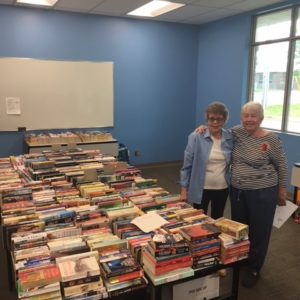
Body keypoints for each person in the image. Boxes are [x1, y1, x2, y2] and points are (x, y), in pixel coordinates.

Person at [196, 102, 288, 287]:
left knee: (259, 231)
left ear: (261, 118)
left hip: (263, 192)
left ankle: (254, 268)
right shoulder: (236, 133)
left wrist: (282, 190)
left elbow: (282, 166)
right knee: (240, 228)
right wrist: (203, 128)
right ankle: (242, 258)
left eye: (253, 116)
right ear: (241, 118)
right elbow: (216, 128)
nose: (249, 119)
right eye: (246, 115)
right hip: (237, 192)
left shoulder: (271, 139)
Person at [180, 102, 233, 219]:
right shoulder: (196, 136)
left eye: (219, 119)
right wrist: (184, 189)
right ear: (207, 119)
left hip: (222, 188)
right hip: (201, 188)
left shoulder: (230, 137)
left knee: (218, 219)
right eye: (211, 119)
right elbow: (186, 165)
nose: (215, 122)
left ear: (225, 120)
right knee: (199, 220)